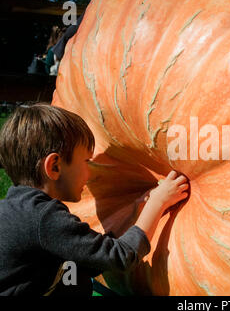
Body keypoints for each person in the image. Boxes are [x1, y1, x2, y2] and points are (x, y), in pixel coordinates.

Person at [0, 104, 189, 296]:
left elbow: (86, 258)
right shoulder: (45, 218)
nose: (90, 173)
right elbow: (121, 258)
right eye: (86, 161)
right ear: (54, 166)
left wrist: (135, 215)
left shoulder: (15, 211)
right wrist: (157, 203)